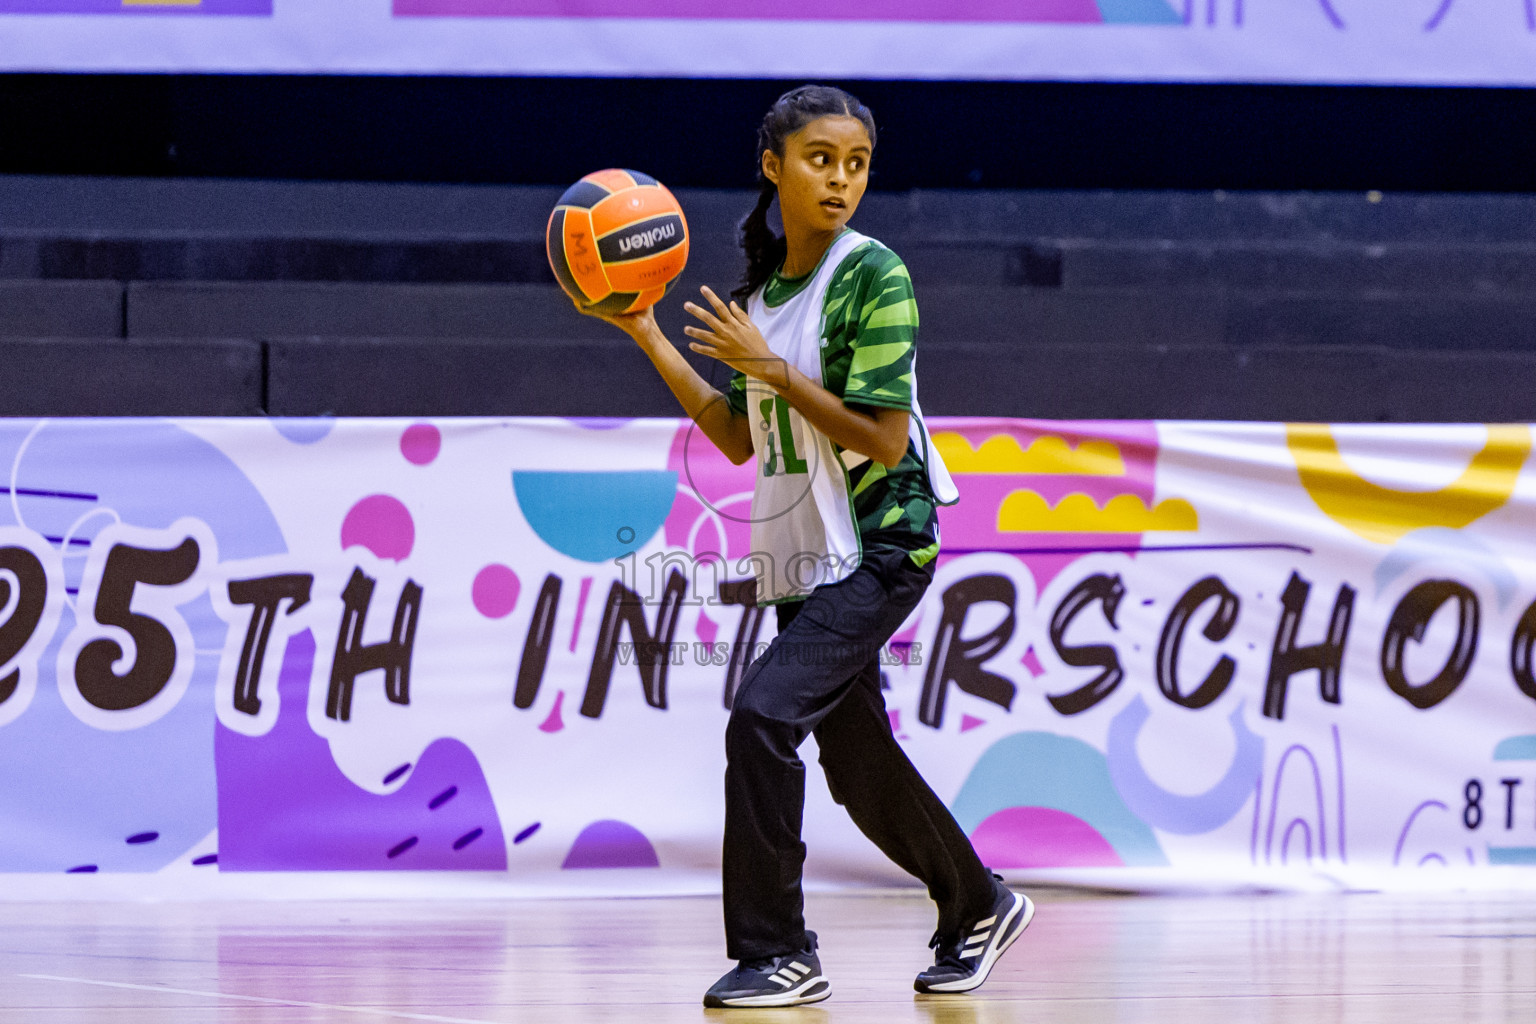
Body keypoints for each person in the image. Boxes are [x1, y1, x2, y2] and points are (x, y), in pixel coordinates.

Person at [581, 84, 1032, 1008]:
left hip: (880, 541)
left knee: (761, 718)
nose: (840, 180)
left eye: (856, 164)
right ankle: (977, 903)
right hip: (797, 553)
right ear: (773, 165)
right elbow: (742, 438)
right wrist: (645, 333)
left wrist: (772, 370)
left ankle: (777, 950)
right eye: (820, 159)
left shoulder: (875, 274)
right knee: (860, 768)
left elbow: (882, 438)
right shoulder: (758, 295)